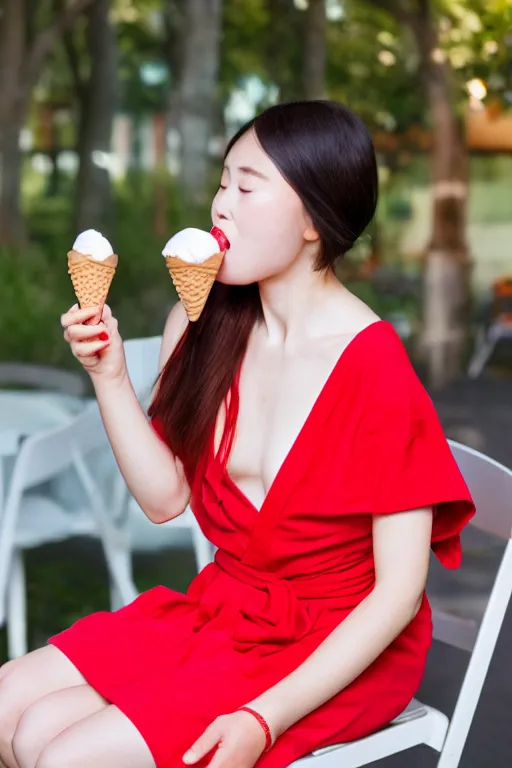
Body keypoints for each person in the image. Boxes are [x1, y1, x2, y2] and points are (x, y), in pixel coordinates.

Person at [0, 100, 474, 768]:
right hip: (227, 609)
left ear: (313, 219)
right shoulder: (203, 322)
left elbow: (397, 595)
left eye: (247, 188)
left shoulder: (373, 369)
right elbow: (165, 501)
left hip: (337, 647)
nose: (221, 205)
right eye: (223, 182)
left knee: (62, 754)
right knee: (12, 711)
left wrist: (263, 717)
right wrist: (107, 375)